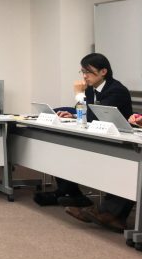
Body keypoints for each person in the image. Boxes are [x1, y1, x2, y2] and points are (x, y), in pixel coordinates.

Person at [48, 53, 135, 233]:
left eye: (88, 72)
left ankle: (110, 214)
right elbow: (84, 113)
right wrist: (74, 114)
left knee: (124, 168)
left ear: (103, 72)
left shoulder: (116, 90)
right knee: (62, 148)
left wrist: (79, 95)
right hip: (101, 137)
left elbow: (95, 115)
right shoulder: (91, 89)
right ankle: (75, 195)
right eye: (82, 71)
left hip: (121, 142)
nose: (84, 76)